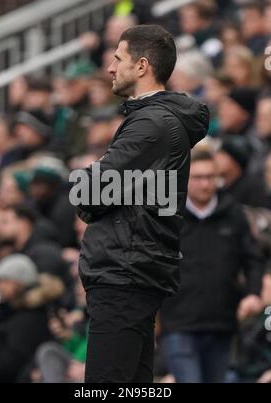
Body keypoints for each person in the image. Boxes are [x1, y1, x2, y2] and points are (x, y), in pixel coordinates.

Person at [70, 24, 209, 382]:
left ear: (143, 65)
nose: (110, 68)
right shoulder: (151, 120)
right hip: (129, 270)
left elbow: (87, 192)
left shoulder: (152, 124)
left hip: (125, 271)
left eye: (117, 58)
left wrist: (88, 182)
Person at [159, 150, 264, 383]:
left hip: (222, 322)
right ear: (185, 179)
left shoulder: (234, 214)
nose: (205, 184)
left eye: (210, 177)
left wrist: (253, 294)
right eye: (198, 177)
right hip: (179, 322)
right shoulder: (168, 216)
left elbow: (253, 259)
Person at [0, 254, 64, 382]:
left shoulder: (30, 317)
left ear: (20, 283)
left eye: (4, 280)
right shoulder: (8, 310)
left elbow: (10, 362)